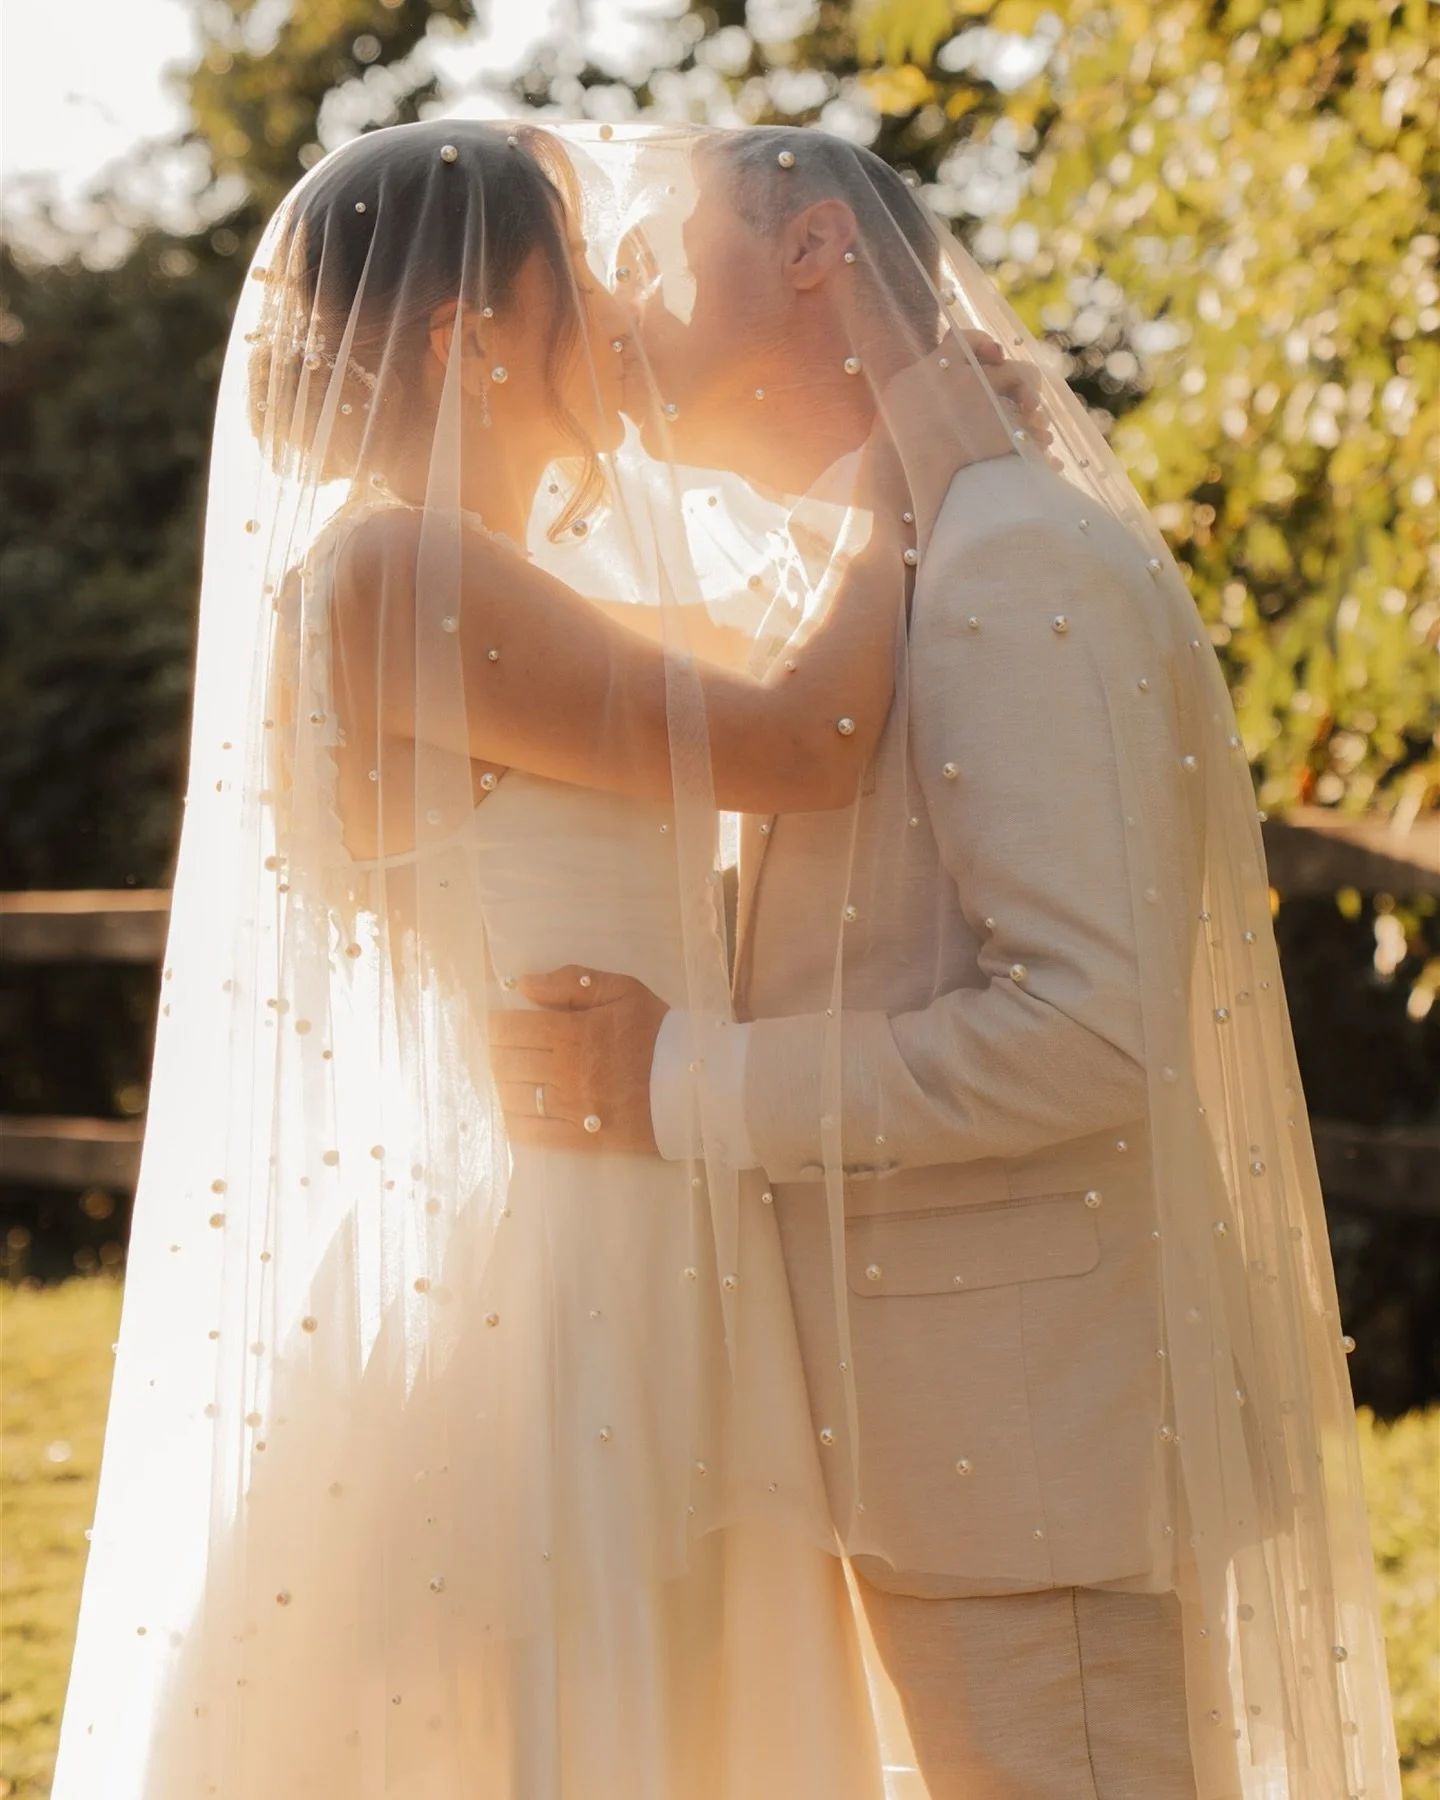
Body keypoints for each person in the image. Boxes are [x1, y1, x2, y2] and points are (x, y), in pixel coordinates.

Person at [51, 118, 1039, 1799]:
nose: (613, 307)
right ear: (472, 334)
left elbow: (778, 666)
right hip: (562, 1249)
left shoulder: (497, 573)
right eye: (571, 275)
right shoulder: (390, 571)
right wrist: (898, 456)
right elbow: (802, 737)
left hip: (644, 1200)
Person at [489, 126, 1404, 1800]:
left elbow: (1088, 1033)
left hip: (1029, 1458)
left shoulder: (1009, 564)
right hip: (932, 1439)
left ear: (813, 251)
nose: (621, 298)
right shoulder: (897, 551)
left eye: (660, 255)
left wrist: (674, 1076)